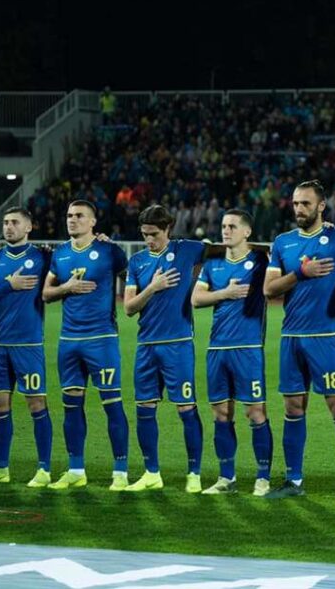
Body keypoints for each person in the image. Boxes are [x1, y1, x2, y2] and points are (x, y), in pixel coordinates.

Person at [261, 180, 335, 499]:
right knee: (293, 406)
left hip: (327, 337)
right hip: (292, 337)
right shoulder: (283, 242)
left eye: (305, 203)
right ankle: (293, 481)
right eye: (295, 203)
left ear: (321, 206)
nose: (299, 209)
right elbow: (269, 289)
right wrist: (300, 274)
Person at [42, 200, 130, 491]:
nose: (72, 220)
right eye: (69, 215)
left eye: (79, 216)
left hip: (102, 339)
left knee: (112, 405)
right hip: (69, 341)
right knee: (71, 406)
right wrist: (66, 288)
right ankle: (76, 469)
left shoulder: (109, 251)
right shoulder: (61, 253)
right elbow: (46, 293)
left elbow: (132, 279)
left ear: (93, 222)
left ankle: (120, 471)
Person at [123, 204, 211, 493]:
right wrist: (153, 287)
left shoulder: (187, 249)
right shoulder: (136, 262)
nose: (149, 240)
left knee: (186, 408)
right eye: (145, 235)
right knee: (144, 409)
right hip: (146, 346)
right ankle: (151, 473)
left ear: (167, 229)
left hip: (178, 345)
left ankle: (194, 474)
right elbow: (128, 308)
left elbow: (226, 248)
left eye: (154, 234)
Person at [192, 210, 273, 496]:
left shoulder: (260, 261)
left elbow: (282, 253)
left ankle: (263, 478)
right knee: (221, 413)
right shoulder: (213, 264)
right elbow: (196, 299)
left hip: (248, 348)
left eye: (232, 226)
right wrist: (224, 293)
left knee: (255, 411)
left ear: (247, 232)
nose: (226, 230)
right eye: (224, 226)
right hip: (217, 348)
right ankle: (226, 477)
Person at [0, 207, 54, 488]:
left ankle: (44, 469)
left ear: (28, 227)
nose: (8, 227)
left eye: (15, 222)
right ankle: (0, 468)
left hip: (28, 344)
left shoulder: (42, 257)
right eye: (6, 222)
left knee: (36, 403)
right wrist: (9, 285)